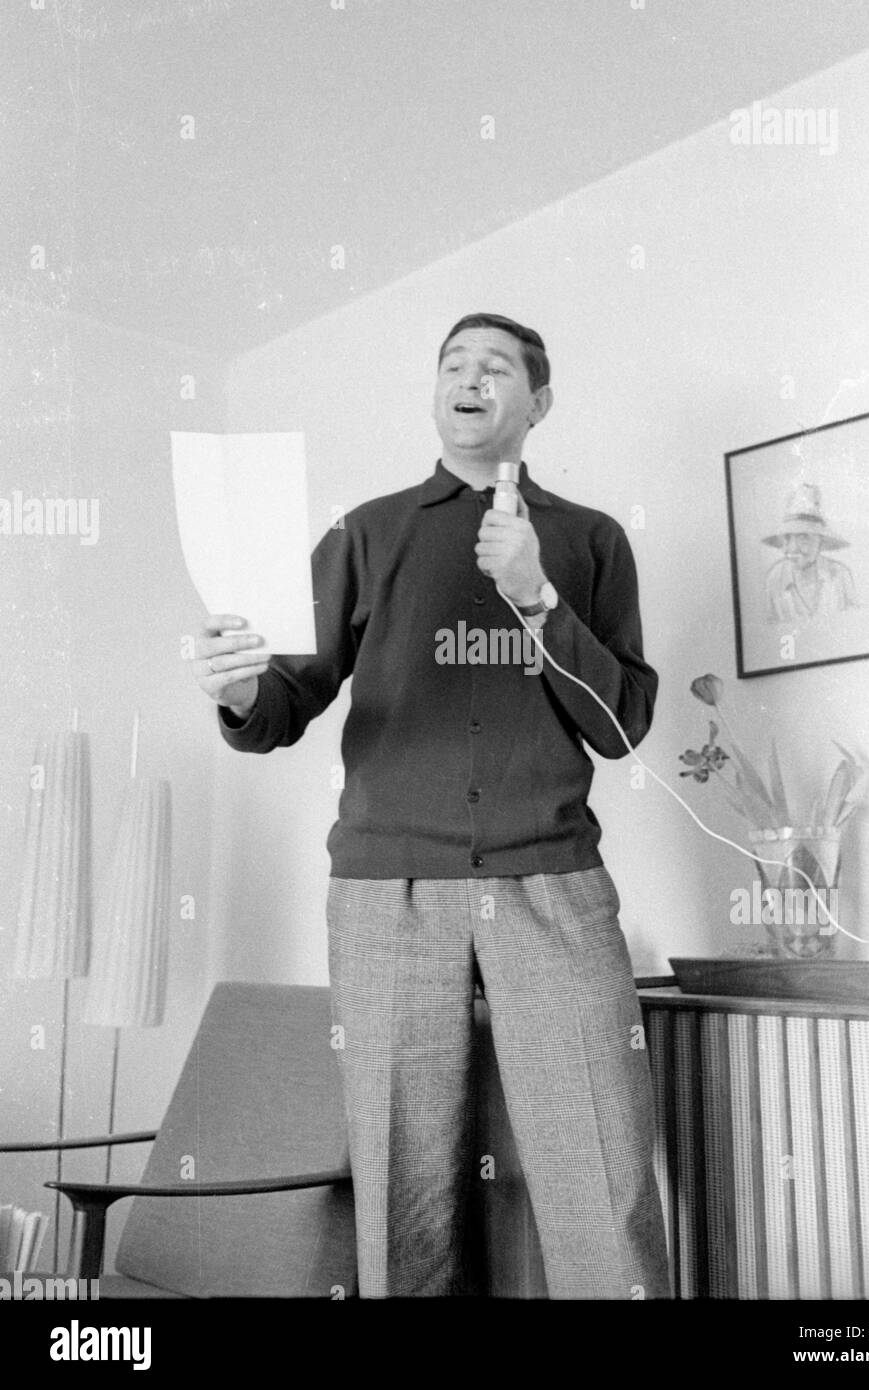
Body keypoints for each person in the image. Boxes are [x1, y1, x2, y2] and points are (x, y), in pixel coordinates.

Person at [189, 312, 669, 1299]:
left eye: (497, 365)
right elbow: (283, 702)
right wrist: (237, 687)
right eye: (453, 361)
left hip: (554, 878)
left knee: (603, 1172)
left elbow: (619, 730)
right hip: (385, 889)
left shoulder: (590, 540)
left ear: (539, 401)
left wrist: (537, 599)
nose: (470, 375)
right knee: (404, 1191)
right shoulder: (364, 533)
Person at [762, 482, 857, 623]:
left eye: (803, 537)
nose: (792, 549)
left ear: (820, 541)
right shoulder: (775, 579)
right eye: (787, 538)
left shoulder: (840, 575)